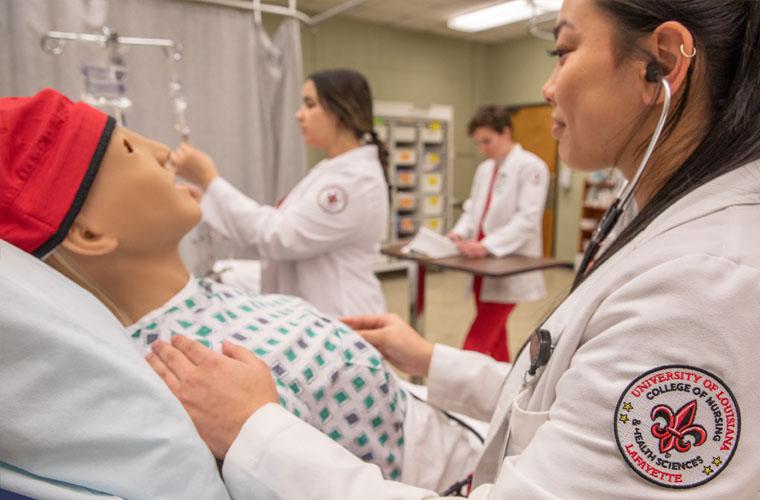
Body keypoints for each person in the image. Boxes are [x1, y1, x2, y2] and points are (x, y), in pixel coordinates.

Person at [147, 0, 760, 498]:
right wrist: (429, 359)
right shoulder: (663, 225)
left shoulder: (702, 288)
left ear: (662, 64)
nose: (547, 87)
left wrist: (257, 432)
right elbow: (563, 396)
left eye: (562, 49)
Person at [0, 88, 481, 492]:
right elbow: (278, 235)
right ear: (88, 234)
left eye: (310, 103)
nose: (161, 150)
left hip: (451, 441)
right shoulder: (196, 375)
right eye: (128, 148)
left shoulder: (346, 177)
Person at [171, 68, 389, 318]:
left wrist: (210, 181)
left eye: (309, 104)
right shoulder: (333, 170)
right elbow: (278, 226)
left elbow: (279, 236)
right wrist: (209, 200)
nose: (299, 115)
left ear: (339, 111)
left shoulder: (352, 181)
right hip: (317, 312)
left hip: (342, 315)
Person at [448, 106, 549, 362]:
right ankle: (501, 384)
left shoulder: (531, 167)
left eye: (487, 141)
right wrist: (459, 233)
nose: (483, 149)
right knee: (496, 335)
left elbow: (527, 219)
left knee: (478, 338)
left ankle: (458, 390)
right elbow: (473, 210)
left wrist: (488, 245)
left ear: (505, 132)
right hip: (482, 266)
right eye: (478, 143)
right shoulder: (485, 169)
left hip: (508, 264)